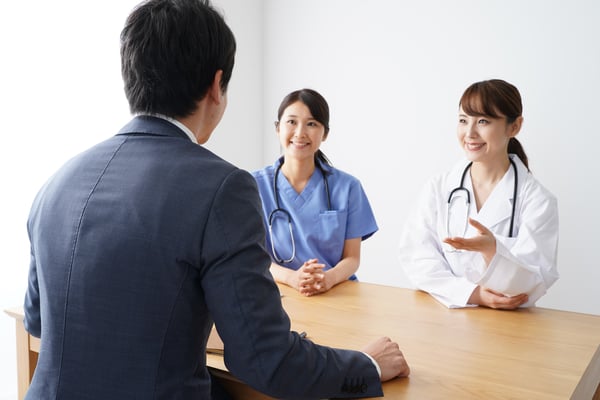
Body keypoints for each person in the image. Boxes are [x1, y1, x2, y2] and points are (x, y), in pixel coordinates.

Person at [22, 0, 409, 399]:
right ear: (216, 85)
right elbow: (266, 360)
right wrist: (368, 365)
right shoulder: (223, 187)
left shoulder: (58, 182)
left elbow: (38, 320)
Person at [398, 79, 559, 310]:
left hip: (510, 328)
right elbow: (416, 258)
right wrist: (474, 294)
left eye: (483, 121)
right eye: (463, 120)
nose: (470, 133)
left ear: (514, 127)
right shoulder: (439, 187)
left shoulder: (538, 201)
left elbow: (532, 285)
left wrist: (492, 250)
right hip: (443, 318)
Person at [252, 88, 378, 296]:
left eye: (311, 124)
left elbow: (352, 258)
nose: (300, 133)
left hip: (336, 291)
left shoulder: (348, 187)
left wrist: (329, 278)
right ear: (278, 128)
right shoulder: (253, 186)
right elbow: (254, 257)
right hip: (279, 293)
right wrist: (292, 278)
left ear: (325, 133)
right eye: (291, 122)